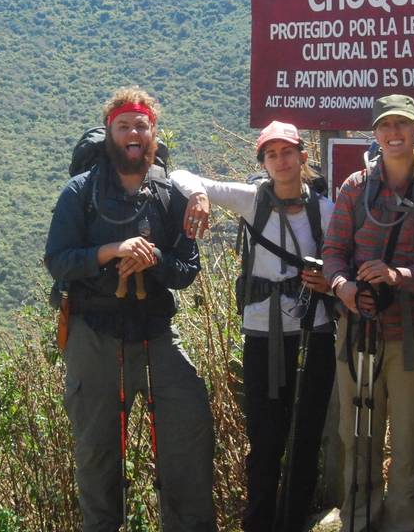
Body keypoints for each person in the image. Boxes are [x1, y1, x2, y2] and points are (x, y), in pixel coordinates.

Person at [44, 87, 217, 532]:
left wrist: (153, 259)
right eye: (123, 126)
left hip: (155, 331)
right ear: (108, 134)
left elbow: (186, 269)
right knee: (98, 453)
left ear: (153, 134)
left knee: (188, 431)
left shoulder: (168, 194)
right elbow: (57, 259)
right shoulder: (80, 193)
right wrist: (109, 251)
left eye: (141, 125)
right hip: (93, 333)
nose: (133, 134)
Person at [173, 120, 335, 532]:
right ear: (263, 162)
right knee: (264, 440)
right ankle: (260, 523)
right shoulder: (251, 200)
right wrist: (198, 196)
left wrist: (329, 280)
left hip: (313, 335)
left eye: (287, 152)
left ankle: (293, 521)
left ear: (303, 156)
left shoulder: (325, 209)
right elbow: (180, 175)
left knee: (305, 437)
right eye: (271, 154)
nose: (281, 161)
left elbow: (343, 263)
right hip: (263, 337)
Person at [322, 94, 414, 532]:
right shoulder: (354, 188)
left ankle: (403, 524)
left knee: (409, 440)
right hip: (358, 330)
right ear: (376, 133)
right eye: (385, 126)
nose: (394, 133)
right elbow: (332, 253)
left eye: (402, 125)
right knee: (357, 437)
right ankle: (358, 522)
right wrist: (344, 287)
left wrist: (398, 276)